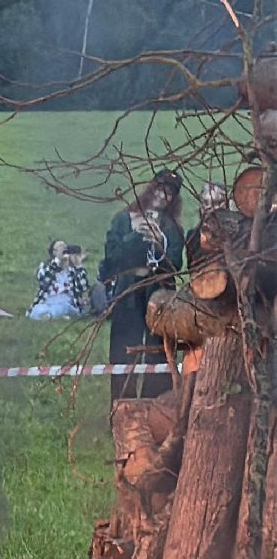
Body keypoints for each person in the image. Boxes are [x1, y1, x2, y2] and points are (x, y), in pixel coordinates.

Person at [101, 171, 185, 399]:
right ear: (150, 188)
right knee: (123, 354)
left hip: (158, 297)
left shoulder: (172, 228)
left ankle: (155, 408)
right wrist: (135, 236)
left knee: (159, 353)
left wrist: (161, 242)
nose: (162, 195)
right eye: (159, 188)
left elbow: (175, 264)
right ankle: (121, 410)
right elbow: (112, 258)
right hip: (127, 296)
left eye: (169, 192)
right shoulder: (123, 219)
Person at [29, 241, 91, 320]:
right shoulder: (46, 267)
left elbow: (83, 288)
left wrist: (78, 266)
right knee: (37, 309)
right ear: (54, 252)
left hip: (67, 303)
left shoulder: (73, 270)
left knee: (64, 307)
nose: (64, 247)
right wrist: (58, 263)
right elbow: (42, 278)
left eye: (65, 246)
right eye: (60, 246)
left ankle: (49, 315)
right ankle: (55, 316)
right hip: (48, 302)